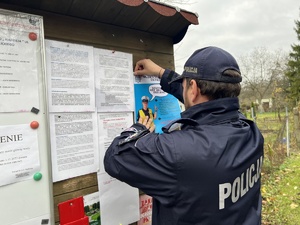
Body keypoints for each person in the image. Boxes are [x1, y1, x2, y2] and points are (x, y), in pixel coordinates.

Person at [104, 46, 264, 225]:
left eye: (186, 83)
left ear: (193, 88)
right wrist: (161, 73)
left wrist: (140, 127)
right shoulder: (250, 131)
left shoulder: (179, 153)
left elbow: (115, 157)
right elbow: (203, 101)